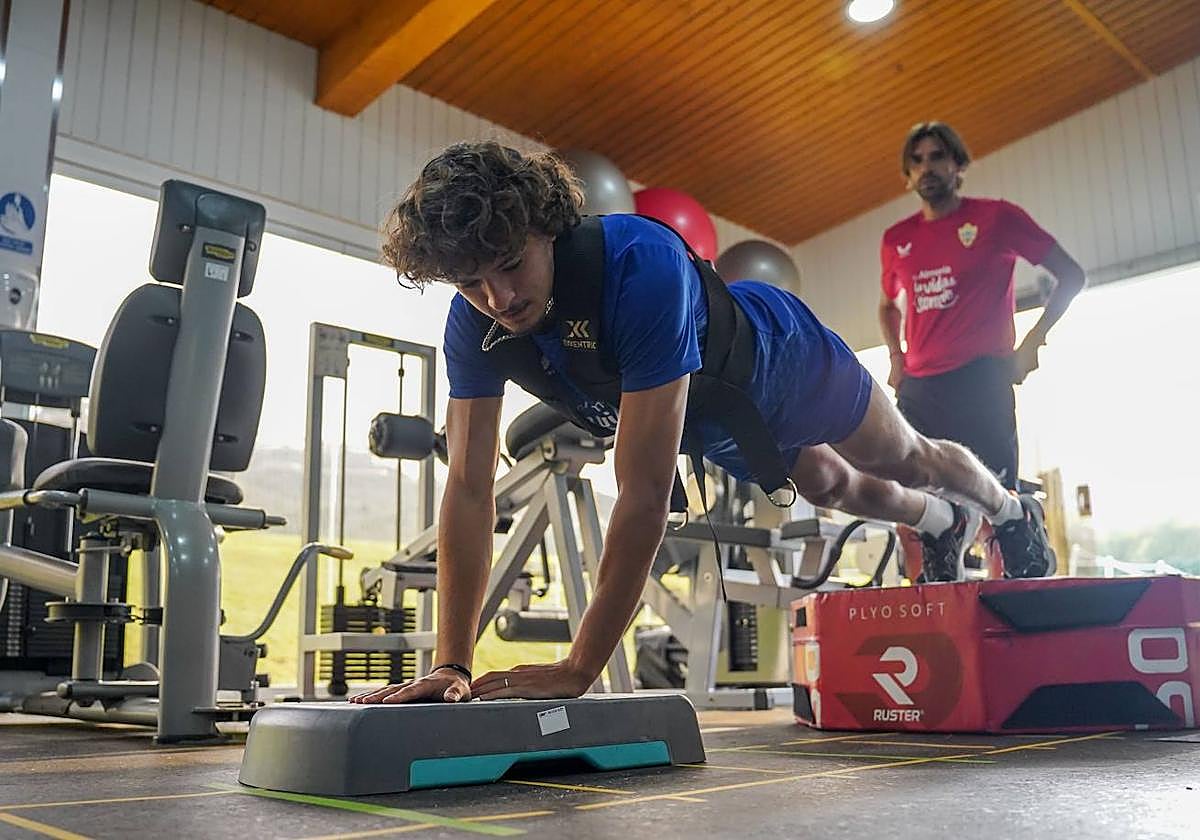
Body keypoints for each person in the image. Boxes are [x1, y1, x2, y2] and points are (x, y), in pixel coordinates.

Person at [353, 141, 1056, 706]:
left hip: (789, 362)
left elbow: (642, 494)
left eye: (510, 266)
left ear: (548, 228)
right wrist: (450, 662)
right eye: (471, 283)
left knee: (905, 456)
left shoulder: (640, 266)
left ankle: (1006, 507)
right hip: (719, 420)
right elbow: (470, 489)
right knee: (831, 487)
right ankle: (941, 524)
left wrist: (579, 665)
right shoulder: (472, 324)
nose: (498, 297)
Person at [879, 122, 1086, 580]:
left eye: (937, 157)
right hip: (921, 384)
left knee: (995, 496)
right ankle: (932, 590)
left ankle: (1017, 567)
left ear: (959, 166)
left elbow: (1071, 275)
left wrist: (1032, 344)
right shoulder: (897, 238)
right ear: (907, 177)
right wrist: (896, 358)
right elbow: (887, 306)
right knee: (911, 491)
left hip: (982, 376)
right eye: (917, 160)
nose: (927, 167)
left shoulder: (997, 219)